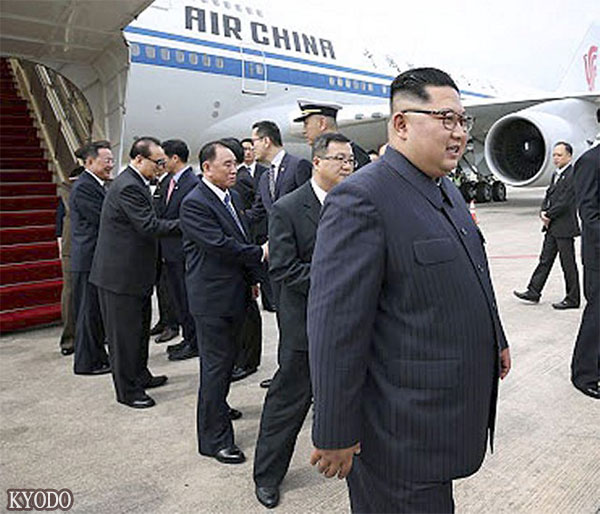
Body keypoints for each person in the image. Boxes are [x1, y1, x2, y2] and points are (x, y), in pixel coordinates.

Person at [307, 68, 511, 513]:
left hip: (438, 420)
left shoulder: (444, 189)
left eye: (463, 121)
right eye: (446, 119)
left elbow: (473, 267)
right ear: (401, 124)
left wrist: (496, 337)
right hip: (398, 432)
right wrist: (335, 431)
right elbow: (336, 327)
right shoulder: (362, 199)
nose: (459, 133)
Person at [253, 133, 354, 509]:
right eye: (339, 159)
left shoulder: (356, 202)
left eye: (350, 160)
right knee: (289, 402)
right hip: (307, 327)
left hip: (354, 323)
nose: (347, 166)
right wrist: (340, 280)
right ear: (317, 162)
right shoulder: (289, 208)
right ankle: (267, 475)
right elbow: (283, 268)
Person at [180, 141, 265, 464]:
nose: (234, 170)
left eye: (235, 164)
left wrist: (252, 278)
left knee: (227, 362)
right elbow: (219, 245)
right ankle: (214, 440)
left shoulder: (233, 196)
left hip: (235, 293)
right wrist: (260, 253)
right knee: (215, 368)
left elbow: (241, 235)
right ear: (207, 167)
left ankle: (218, 407)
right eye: (227, 164)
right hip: (212, 300)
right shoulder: (195, 203)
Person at [90, 137, 179, 409]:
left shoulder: (136, 182)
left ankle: (140, 375)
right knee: (124, 337)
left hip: (135, 275)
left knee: (139, 332)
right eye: (157, 162)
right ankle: (127, 390)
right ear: (139, 159)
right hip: (119, 277)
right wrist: (188, 222)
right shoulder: (128, 185)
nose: (161, 167)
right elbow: (148, 225)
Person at [245, 120, 312, 389]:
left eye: (254, 141)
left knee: (301, 321)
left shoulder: (298, 166)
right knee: (284, 319)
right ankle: (287, 373)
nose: (251, 147)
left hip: (299, 258)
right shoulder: (264, 177)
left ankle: (307, 378)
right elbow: (259, 212)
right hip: (278, 259)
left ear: (266, 140)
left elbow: (310, 207)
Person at [514, 142, 580, 309]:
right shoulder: (556, 175)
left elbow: (566, 201)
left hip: (564, 227)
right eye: (554, 155)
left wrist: (548, 214)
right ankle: (533, 291)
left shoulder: (572, 175)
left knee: (568, 264)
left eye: (559, 155)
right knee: (545, 260)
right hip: (552, 226)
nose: (556, 158)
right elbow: (549, 196)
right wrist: (543, 211)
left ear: (569, 156)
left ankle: (573, 298)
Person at [70, 141, 113, 376]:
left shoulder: (95, 184)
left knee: (94, 312)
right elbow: (101, 218)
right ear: (89, 162)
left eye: (111, 160)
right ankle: (87, 363)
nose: (111, 165)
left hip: (93, 258)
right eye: (106, 161)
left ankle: (98, 357)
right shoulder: (85, 187)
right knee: (87, 313)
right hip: (87, 259)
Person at [159, 139, 200, 362]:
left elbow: (189, 220)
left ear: (175, 158)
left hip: (183, 252)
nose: (160, 163)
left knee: (187, 298)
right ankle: (187, 337)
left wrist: (160, 226)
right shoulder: (168, 182)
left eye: (163, 158)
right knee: (178, 299)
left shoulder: (191, 183)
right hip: (170, 253)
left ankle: (195, 342)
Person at [571, 137, 600, 400]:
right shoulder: (590, 161)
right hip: (599, 255)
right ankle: (585, 374)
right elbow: (589, 214)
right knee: (596, 316)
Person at [235, 137, 275, 313]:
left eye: (251, 148)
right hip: (250, 226)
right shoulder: (239, 175)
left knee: (267, 266)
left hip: (263, 225)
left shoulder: (265, 172)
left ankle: (270, 301)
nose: (248, 152)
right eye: (244, 149)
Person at [149, 166, 180, 345]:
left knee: (170, 288)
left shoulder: (170, 182)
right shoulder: (160, 184)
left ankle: (172, 324)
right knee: (161, 287)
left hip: (169, 243)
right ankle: (163, 320)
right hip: (159, 244)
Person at [56, 164, 84, 356]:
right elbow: (59, 224)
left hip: (89, 248)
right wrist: (61, 249)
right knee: (71, 294)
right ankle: (69, 339)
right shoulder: (67, 193)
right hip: (71, 249)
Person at [294, 100, 371, 170]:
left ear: (322, 123)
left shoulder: (356, 155)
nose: (304, 131)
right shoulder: (320, 149)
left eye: (306, 124)